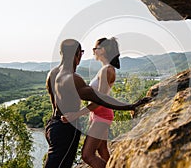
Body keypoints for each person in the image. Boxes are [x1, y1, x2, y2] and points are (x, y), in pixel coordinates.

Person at [43, 39, 149, 168]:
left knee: (94, 153)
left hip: (52, 125)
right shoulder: (73, 78)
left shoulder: (52, 74)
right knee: (61, 163)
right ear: (78, 55)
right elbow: (101, 98)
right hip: (65, 127)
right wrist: (130, 106)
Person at [62, 37, 121, 168]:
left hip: (102, 116)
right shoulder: (104, 69)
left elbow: (100, 101)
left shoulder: (107, 70)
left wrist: (76, 114)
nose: (93, 51)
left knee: (87, 155)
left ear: (103, 50)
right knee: (102, 151)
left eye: (95, 48)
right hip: (98, 115)